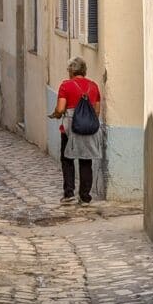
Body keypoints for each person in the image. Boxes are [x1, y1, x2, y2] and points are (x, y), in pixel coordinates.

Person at [52, 58, 102, 204]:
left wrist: (56, 114)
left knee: (67, 159)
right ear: (84, 70)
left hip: (71, 128)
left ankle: (69, 194)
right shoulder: (93, 86)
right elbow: (97, 110)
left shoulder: (66, 86)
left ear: (71, 71)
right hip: (88, 128)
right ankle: (85, 196)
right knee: (86, 160)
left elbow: (61, 108)